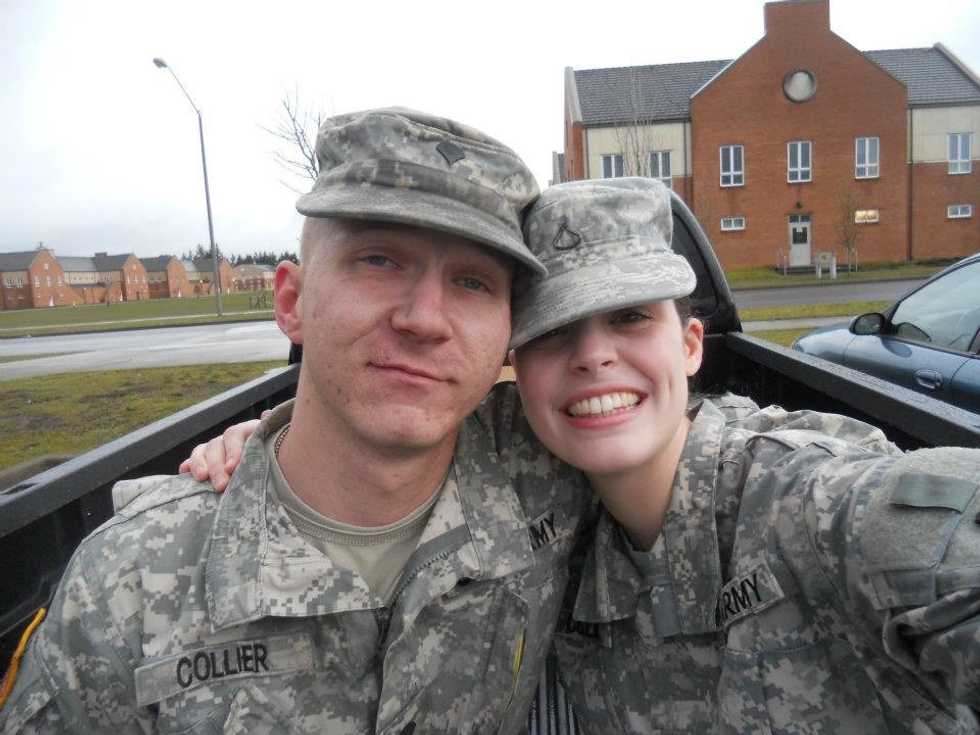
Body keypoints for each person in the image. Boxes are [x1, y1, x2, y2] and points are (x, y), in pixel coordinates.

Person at [188, 178, 980, 734]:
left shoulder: (804, 503)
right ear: (514, 370)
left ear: (691, 345)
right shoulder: (532, 495)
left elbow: (928, 535)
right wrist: (275, 436)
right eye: (554, 331)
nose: (594, 355)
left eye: (630, 317)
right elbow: (379, 427)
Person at [0, 108, 592, 734]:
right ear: (291, 302)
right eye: (379, 261)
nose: (424, 318)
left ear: (508, 334)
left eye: (473, 282)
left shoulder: (549, 480)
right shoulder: (126, 583)